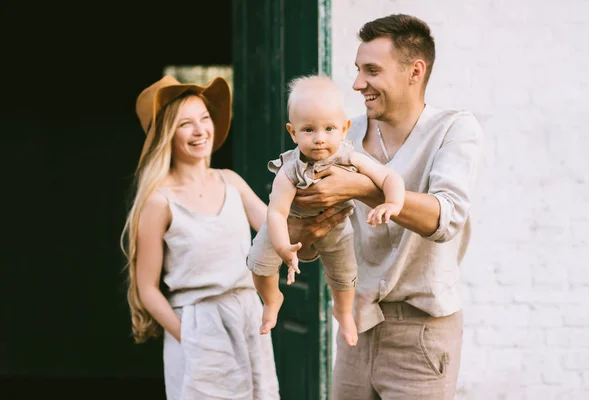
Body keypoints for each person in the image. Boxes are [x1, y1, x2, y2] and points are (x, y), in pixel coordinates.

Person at [292, 14, 484, 399]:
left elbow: (446, 218)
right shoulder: (341, 136)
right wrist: (303, 234)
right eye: (358, 69)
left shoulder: (454, 130)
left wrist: (361, 188)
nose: (358, 83)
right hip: (356, 327)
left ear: (415, 71)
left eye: (372, 70)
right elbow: (313, 244)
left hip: (423, 334)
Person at [120, 75, 280, 399]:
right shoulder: (159, 201)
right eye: (185, 124)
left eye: (205, 118)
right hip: (198, 322)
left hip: (247, 315)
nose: (200, 130)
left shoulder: (231, 182)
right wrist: (188, 336)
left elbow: (278, 228)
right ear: (167, 135)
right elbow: (146, 288)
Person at [246, 75, 406, 348]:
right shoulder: (289, 170)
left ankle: (343, 312)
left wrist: (392, 203)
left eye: (329, 128)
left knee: (345, 275)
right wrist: (283, 247)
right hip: (289, 226)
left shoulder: (349, 156)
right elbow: (275, 213)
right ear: (292, 132)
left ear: (344, 129)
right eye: (309, 130)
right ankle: (272, 299)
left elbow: (389, 178)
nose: (320, 139)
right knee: (258, 261)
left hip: (336, 228)